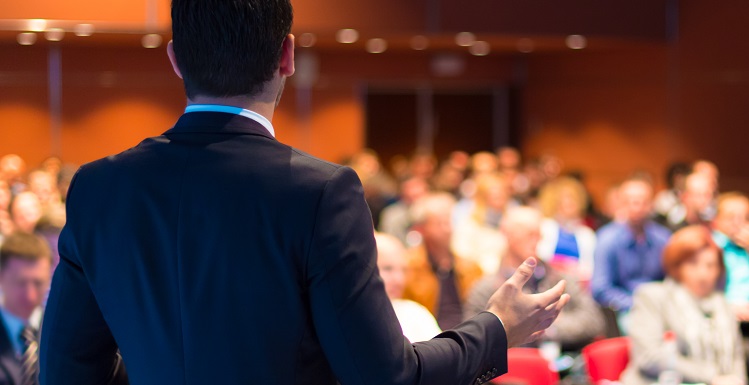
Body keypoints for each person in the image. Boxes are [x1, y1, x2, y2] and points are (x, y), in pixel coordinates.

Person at [39, 1, 569, 384]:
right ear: (287, 55)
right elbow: (383, 376)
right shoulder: (321, 193)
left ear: (176, 59)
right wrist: (496, 328)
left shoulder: (99, 187)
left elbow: (64, 370)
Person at [464, 207, 604, 351]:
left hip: (564, 363)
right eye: (529, 234)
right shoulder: (486, 288)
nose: (537, 240)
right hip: (512, 367)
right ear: (507, 234)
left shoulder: (560, 279)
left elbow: (593, 321)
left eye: (539, 234)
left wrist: (546, 326)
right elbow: (475, 338)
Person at [622, 226, 746, 385]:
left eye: (710, 265)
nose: (703, 274)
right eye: (693, 264)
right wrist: (712, 377)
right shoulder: (653, 296)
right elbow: (650, 357)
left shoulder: (722, 304)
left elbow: (737, 359)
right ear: (677, 266)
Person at [591, 178, 671, 332]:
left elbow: (672, 278)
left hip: (659, 305)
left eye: (644, 202)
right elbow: (600, 288)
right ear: (621, 204)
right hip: (625, 309)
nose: (638, 207)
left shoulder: (663, 238)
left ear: (652, 204)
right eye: (632, 202)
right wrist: (634, 304)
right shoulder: (607, 239)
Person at [403, 192, 484, 330]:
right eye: (439, 223)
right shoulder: (408, 266)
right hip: (428, 339)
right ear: (422, 229)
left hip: (467, 336)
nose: (447, 229)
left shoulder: (471, 267)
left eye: (449, 221)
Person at [0, 232, 53, 385]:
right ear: (1, 276)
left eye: (38, 283)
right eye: (21, 283)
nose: (30, 295)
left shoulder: (61, 330)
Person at [374, 232, 441, 343]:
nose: (399, 280)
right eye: (387, 268)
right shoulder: (349, 318)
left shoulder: (414, 313)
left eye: (404, 270)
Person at [536, 177, 596, 282]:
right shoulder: (544, 227)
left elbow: (590, 269)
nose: (568, 202)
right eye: (563, 198)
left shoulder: (587, 234)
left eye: (573, 198)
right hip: (547, 281)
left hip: (577, 284)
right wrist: (562, 266)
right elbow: (540, 258)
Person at [452, 173, 510, 275]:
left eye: (503, 197)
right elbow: (462, 256)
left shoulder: (510, 221)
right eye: (496, 197)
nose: (501, 202)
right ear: (482, 199)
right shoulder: (469, 226)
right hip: (480, 278)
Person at [711, 192, 749, 321]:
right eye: (731, 217)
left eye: (745, 218)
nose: (739, 223)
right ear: (716, 220)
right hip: (721, 315)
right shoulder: (710, 247)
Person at [378, 177, 429, 246]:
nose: (413, 192)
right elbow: (389, 241)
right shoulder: (391, 214)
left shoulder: (437, 211)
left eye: (418, 195)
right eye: (410, 196)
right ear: (402, 194)